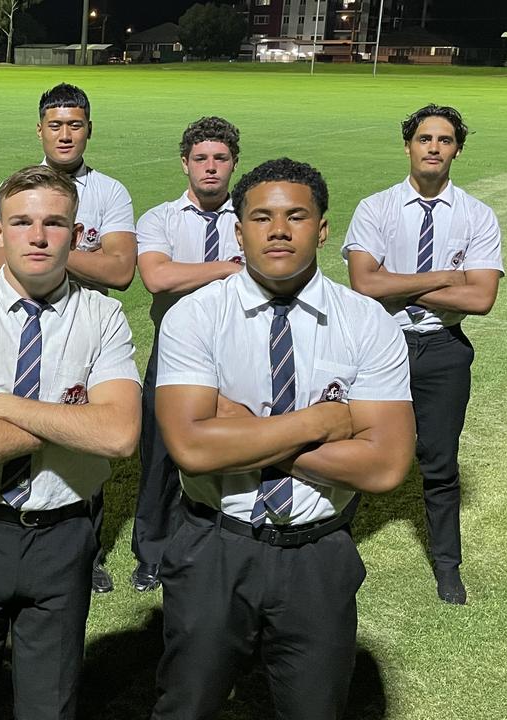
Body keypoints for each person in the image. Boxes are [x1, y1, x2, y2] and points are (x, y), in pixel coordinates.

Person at [152, 158, 415, 719]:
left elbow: (386, 467)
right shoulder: (195, 317)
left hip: (318, 552)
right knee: (186, 706)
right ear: (237, 229)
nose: (277, 230)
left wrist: (243, 430)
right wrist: (320, 422)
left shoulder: (368, 322)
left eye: (295, 216)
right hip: (214, 547)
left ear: (322, 229)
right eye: (261, 217)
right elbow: (193, 450)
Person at [0, 165, 141, 718]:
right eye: (21, 222)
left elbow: (118, 434)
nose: (38, 236)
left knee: (50, 705)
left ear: (75, 232)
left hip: (64, 534)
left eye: (54, 223)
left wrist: (2, 406)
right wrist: (70, 417)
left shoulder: (104, 315)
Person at [343, 104, 503, 605]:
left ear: (457, 148)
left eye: (446, 139)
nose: (434, 147)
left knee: (440, 461)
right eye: (424, 138)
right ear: (408, 145)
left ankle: (448, 567)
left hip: (442, 350)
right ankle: (332, 552)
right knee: (356, 448)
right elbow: (363, 283)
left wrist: (398, 286)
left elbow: (480, 299)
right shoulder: (376, 208)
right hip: (382, 347)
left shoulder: (477, 215)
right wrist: (442, 277)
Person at [0, 82, 137, 593]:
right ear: (40, 130)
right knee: (22, 424)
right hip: (24, 326)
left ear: (89, 129)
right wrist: (62, 254)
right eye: (56, 124)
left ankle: (86, 551)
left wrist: (45, 254)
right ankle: (9, 532)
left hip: (84, 328)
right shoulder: (15, 187)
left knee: (84, 439)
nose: (65, 134)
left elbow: (120, 271)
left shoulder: (110, 192)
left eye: (75, 124)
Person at [131, 116, 245, 593]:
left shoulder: (252, 215)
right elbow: (158, 278)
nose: (211, 168)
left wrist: (190, 271)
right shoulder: (159, 218)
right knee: (159, 455)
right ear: (185, 164)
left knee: (233, 449)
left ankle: (221, 545)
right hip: (176, 353)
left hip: (239, 350)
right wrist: (231, 267)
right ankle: (152, 553)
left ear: (234, 163)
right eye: (201, 159)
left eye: (220, 158)